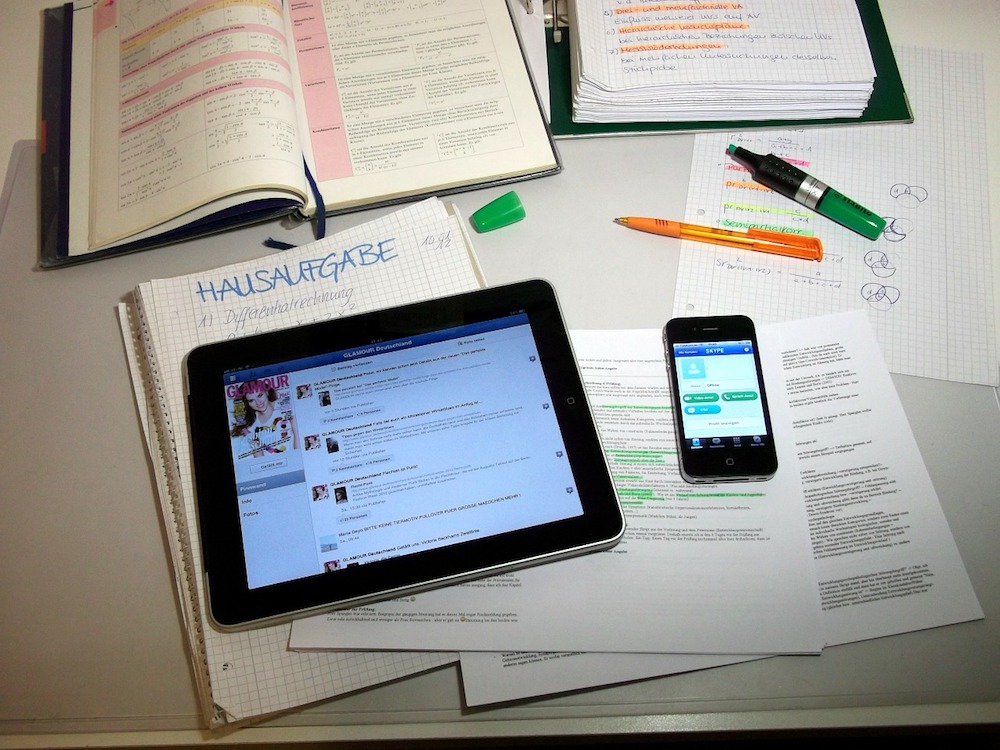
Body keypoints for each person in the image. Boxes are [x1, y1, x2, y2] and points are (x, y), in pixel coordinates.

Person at [231, 380, 299, 459]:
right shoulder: (250, 426)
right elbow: (259, 458)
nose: (258, 402)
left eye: (260, 395)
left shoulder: (285, 405)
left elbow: (299, 439)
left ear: (266, 392)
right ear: (247, 404)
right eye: (251, 400)